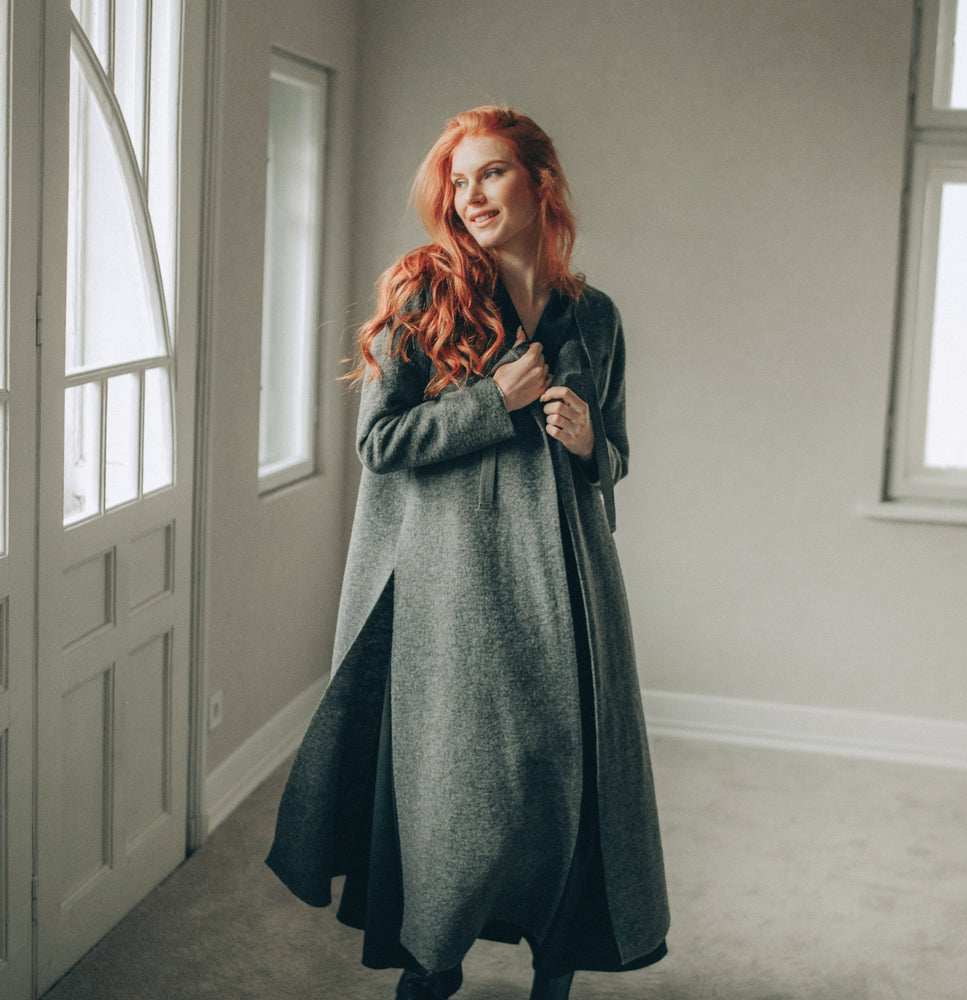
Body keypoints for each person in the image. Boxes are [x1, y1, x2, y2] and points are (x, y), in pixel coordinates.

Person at [266, 105, 669, 1000]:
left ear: (540, 182)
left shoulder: (593, 317)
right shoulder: (424, 290)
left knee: (568, 788)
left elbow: (619, 457)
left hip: (571, 587)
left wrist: (587, 440)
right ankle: (431, 969)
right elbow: (380, 443)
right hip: (458, 587)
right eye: (459, 179)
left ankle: (553, 971)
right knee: (459, 799)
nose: (470, 194)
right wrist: (495, 400)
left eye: (490, 172)